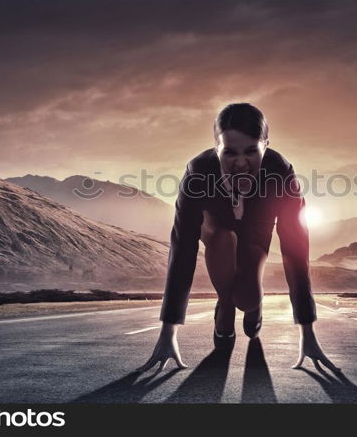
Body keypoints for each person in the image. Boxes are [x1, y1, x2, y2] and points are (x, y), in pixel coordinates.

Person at [137, 103, 337, 374]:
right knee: (224, 238)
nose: (241, 163)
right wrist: (167, 332)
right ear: (215, 147)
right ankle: (226, 308)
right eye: (229, 152)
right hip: (217, 234)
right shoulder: (198, 171)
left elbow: (295, 250)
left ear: (266, 145)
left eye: (251, 151)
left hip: (256, 239)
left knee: (248, 297)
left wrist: (307, 332)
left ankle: (250, 306)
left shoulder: (281, 171)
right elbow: (182, 248)